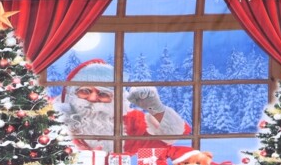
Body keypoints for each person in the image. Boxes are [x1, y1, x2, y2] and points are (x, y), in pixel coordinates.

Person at [56, 59, 189, 154]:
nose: (92, 99)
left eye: (103, 94)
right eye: (85, 91)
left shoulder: (131, 121)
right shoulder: (54, 116)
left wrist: (154, 107)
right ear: (72, 93)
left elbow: (169, 138)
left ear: (115, 98)